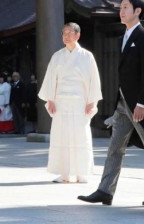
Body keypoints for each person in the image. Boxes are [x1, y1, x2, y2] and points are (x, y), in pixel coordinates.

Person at [78, 0, 144, 206]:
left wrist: (143, 103)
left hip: (139, 105)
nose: (121, 11)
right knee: (115, 146)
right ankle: (105, 190)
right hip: (123, 103)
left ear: (137, 11)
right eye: (121, 7)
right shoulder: (124, 36)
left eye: (125, 7)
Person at [39, 22, 102, 184]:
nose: (65, 36)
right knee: (61, 136)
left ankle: (82, 172)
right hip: (61, 102)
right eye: (63, 33)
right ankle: (64, 173)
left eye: (69, 32)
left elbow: (93, 80)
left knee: (81, 136)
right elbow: (51, 79)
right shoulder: (57, 56)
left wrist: (92, 101)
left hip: (80, 102)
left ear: (77, 35)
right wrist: (50, 99)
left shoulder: (87, 56)